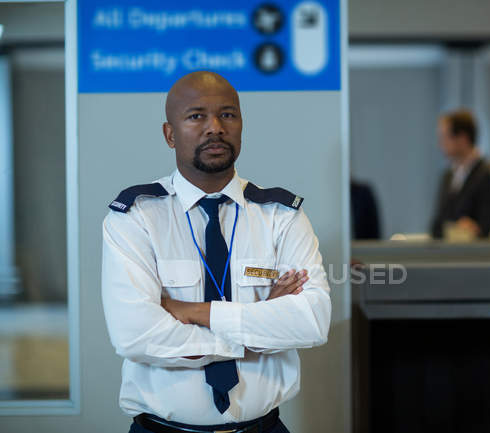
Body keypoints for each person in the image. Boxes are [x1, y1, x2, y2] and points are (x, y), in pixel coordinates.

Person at [101, 71, 331, 433]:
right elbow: (136, 336)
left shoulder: (281, 216)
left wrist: (193, 312)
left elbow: (312, 322)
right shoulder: (137, 217)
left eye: (228, 114)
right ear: (169, 134)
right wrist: (256, 333)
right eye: (196, 116)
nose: (215, 128)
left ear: (241, 125)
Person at [430, 109, 490, 241]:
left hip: (474, 256)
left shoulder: (489, 174)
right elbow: (437, 224)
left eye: (444, 137)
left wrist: (474, 229)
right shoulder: (448, 176)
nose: (440, 144)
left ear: (463, 138)